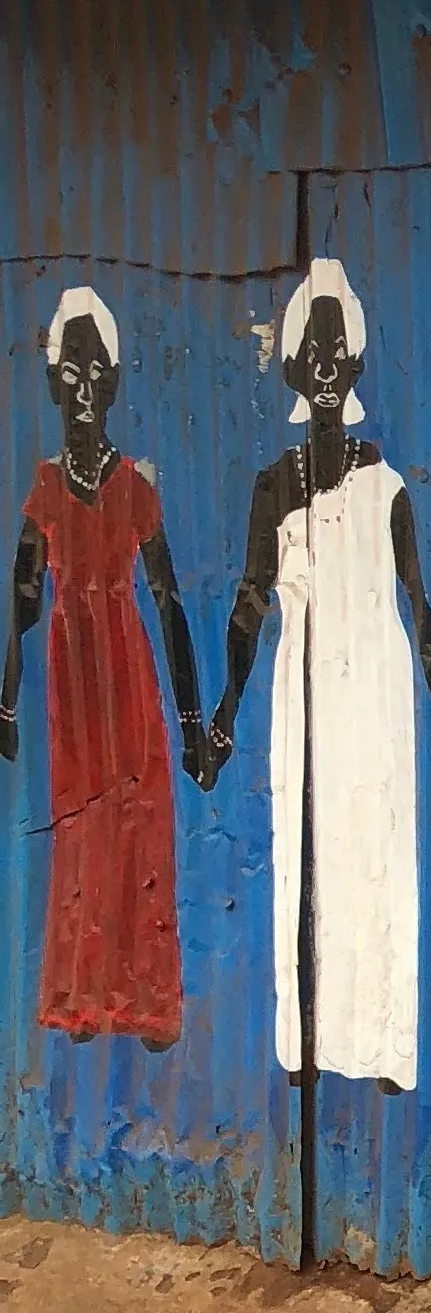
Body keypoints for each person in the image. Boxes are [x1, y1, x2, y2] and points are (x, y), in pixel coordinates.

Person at [202, 258, 431, 1094]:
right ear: (290, 364)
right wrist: (225, 714)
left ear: (352, 361)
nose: (320, 361)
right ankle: (310, 1039)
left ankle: (384, 1045)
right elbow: (248, 604)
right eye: (307, 345)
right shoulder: (272, 486)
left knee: (376, 858)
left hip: (375, 696)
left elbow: (420, 610)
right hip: (303, 700)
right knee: (308, 863)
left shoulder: (388, 488)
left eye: (334, 345)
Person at [0, 288, 205, 1046]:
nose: (83, 390)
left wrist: (191, 720)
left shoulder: (134, 489)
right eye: (69, 375)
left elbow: (170, 602)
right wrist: (8, 699)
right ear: (54, 386)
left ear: (112, 384)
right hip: (70, 676)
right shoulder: (46, 490)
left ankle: (147, 1002)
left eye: (96, 374)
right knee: (81, 823)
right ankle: (83, 996)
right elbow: (23, 597)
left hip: (125, 666)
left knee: (140, 819)